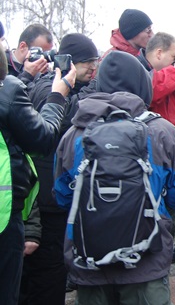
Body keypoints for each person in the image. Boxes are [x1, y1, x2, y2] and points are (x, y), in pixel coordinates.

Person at [53, 51, 175, 305]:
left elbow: (63, 197)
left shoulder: (73, 135)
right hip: (146, 259)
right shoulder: (162, 131)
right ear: (142, 85)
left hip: (88, 260)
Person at [19, 33, 99, 305]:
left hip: (49, 198)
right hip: (47, 201)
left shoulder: (61, 88)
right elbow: (69, 120)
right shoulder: (49, 90)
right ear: (72, 64)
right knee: (47, 276)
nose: (94, 68)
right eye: (89, 63)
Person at [0, 42, 75, 305]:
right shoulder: (8, 91)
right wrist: (58, 95)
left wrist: (24, 77)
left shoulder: (9, 90)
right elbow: (42, 138)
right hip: (4, 216)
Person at [139, 32, 175, 136]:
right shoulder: (139, 71)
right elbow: (151, 92)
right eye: (174, 57)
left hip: (172, 143)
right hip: (154, 145)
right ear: (159, 54)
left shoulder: (169, 78)